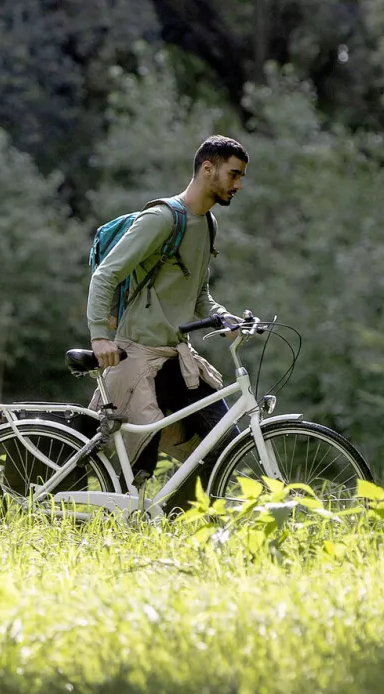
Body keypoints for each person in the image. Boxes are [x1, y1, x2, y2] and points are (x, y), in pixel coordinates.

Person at [85, 135, 248, 483]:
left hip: (176, 359)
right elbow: (106, 275)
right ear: (208, 169)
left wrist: (222, 314)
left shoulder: (207, 224)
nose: (238, 184)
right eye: (234, 174)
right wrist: (100, 336)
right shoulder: (161, 219)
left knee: (225, 447)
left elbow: (199, 293)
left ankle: (183, 522)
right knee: (136, 471)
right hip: (137, 358)